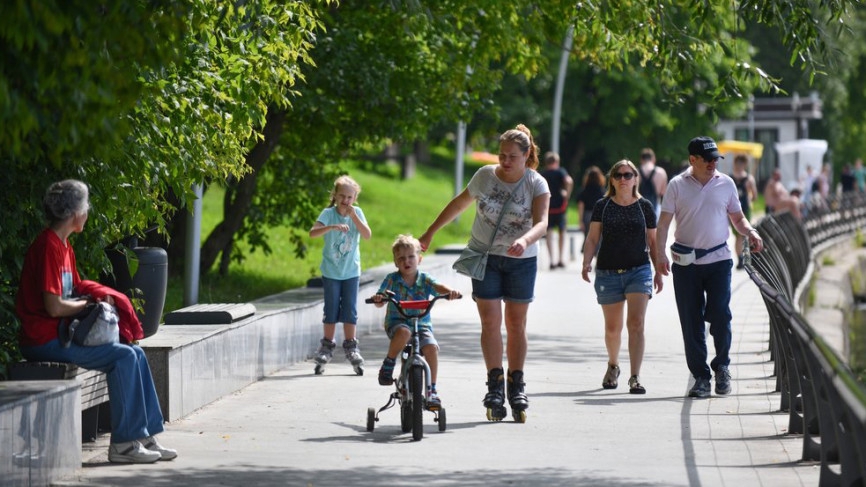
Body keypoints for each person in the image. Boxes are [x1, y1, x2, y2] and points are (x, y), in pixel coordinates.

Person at [15, 179, 177, 463]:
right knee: (124, 358)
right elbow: (54, 307)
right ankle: (124, 446)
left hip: (62, 334)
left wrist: (100, 298)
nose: (87, 212)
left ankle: (145, 436)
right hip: (44, 339)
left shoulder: (64, 246)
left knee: (135, 353)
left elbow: (74, 288)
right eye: (86, 206)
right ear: (75, 213)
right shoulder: (48, 247)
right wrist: (89, 304)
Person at [419, 124, 550, 422]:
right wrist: (429, 233)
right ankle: (494, 385)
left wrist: (525, 239)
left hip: (521, 260)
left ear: (526, 154)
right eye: (501, 155)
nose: (504, 161)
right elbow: (459, 204)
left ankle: (517, 384)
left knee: (516, 324)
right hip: (485, 257)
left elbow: (542, 223)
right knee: (490, 321)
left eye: (511, 156)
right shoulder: (485, 176)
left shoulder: (536, 183)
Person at [655, 136, 764, 399]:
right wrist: (659, 255)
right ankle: (701, 377)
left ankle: (722, 366)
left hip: (719, 260)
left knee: (721, 315)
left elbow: (737, 217)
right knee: (691, 321)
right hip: (686, 264)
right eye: (708, 159)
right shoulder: (677, 185)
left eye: (716, 158)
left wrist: (749, 231)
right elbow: (663, 224)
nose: (714, 162)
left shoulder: (726, 184)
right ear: (693, 160)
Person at [581, 160, 663, 394]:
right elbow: (593, 238)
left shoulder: (644, 206)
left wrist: (658, 270)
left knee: (636, 323)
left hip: (639, 270)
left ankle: (635, 376)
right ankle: (613, 364)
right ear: (612, 180)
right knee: (613, 329)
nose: (623, 179)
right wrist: (587, 261)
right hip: (608, 272)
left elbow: (653, 241)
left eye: (628, 175)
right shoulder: (603, 206)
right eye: (618, 175)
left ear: (636, 179)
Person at [371, 235, 462, 409]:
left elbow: (438, 287)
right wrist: (378, 299)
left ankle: (431, 390)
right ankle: (389, 364)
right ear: (396, 262)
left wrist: (451, 292)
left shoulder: (425, 279)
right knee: (404, 332)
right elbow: (381, 297)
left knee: (431, 348)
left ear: (419, 259)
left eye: (411, 257)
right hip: (397, 323)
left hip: (421, 325)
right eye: (401, 258)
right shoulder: (392, 279)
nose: (407, 261)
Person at [309, 175, 372, 374]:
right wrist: (332, 227)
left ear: (355, 198)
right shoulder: (328, 214)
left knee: (350, 310)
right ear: (335, 196)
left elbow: (367, 235)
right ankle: (327, 345)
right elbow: (313, 232)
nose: (345, 201)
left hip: (351, 272)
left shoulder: (357, 212)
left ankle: (351, 346)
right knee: (331, 309)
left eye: (349, 197)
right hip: (331, 272)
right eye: (342, 196)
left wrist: (353, 217)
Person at [539, 151, 574, 269]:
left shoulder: (543, 173)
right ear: (556, 162)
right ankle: (560, 259)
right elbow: (569, 181)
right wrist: (567, 195)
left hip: (547, 206)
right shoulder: (560, 171)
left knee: (549, 232)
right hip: (560, 206)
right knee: (561, 232)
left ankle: (551, 260)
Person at [729, 155, 757, 269]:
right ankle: (740, 258)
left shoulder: (749, 179)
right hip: (732, 210)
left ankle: (746, 257)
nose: (739, 165)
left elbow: (754, 195)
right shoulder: (729, 178)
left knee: (745, 234)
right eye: (738, 163)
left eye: (742, 163)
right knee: (738, 236)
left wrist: (749, 197)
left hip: (745, 209)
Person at [576, 166, 606, 248]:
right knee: (599, 238)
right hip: (600, 216)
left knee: (588, 237)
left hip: (587, 216)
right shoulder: (602, 191)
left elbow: (581, 206)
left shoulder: (583, 191)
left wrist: (580, 221)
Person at [638, 148, 668, 218]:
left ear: (641, 160)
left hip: (639, 210)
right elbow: (663, 193)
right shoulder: (661, 172)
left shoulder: (635, 173)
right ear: (653, 158)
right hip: (655, 209)